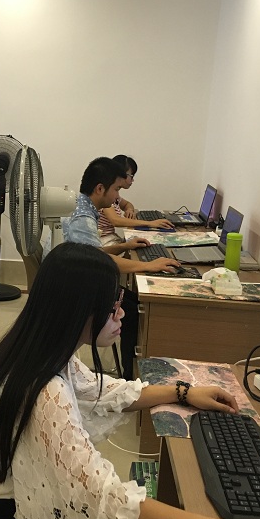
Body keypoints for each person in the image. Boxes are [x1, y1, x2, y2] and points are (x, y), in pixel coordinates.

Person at [0, 243, 260, 519]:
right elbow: (103, 498)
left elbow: (101, 390)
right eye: (112, 307)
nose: (122, 314)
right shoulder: (45, 390)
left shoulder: (38, 347)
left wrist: (182, 392)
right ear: (79, 311)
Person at [63, 156, 180, 379]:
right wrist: (148, 265)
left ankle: (132, 369)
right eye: (116, 189)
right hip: (79, 288)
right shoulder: (83, 218)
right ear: (100, 189)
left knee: (134, 302)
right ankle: (129, 375)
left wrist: (125, 246)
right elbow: (96, 262)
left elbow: (93, 253)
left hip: (81, 277)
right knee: (134, 310)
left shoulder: (85, 206)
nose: (118, 196)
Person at [97, 154, 173, 246]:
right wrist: (150, 223)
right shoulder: (106, 194)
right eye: (132, 176)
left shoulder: (115, 193)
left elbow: (127, 204)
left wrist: (129, 210)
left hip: (110, 237)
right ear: (122, 174)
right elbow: (115, 220)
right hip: (102, 240)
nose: (132, 180)